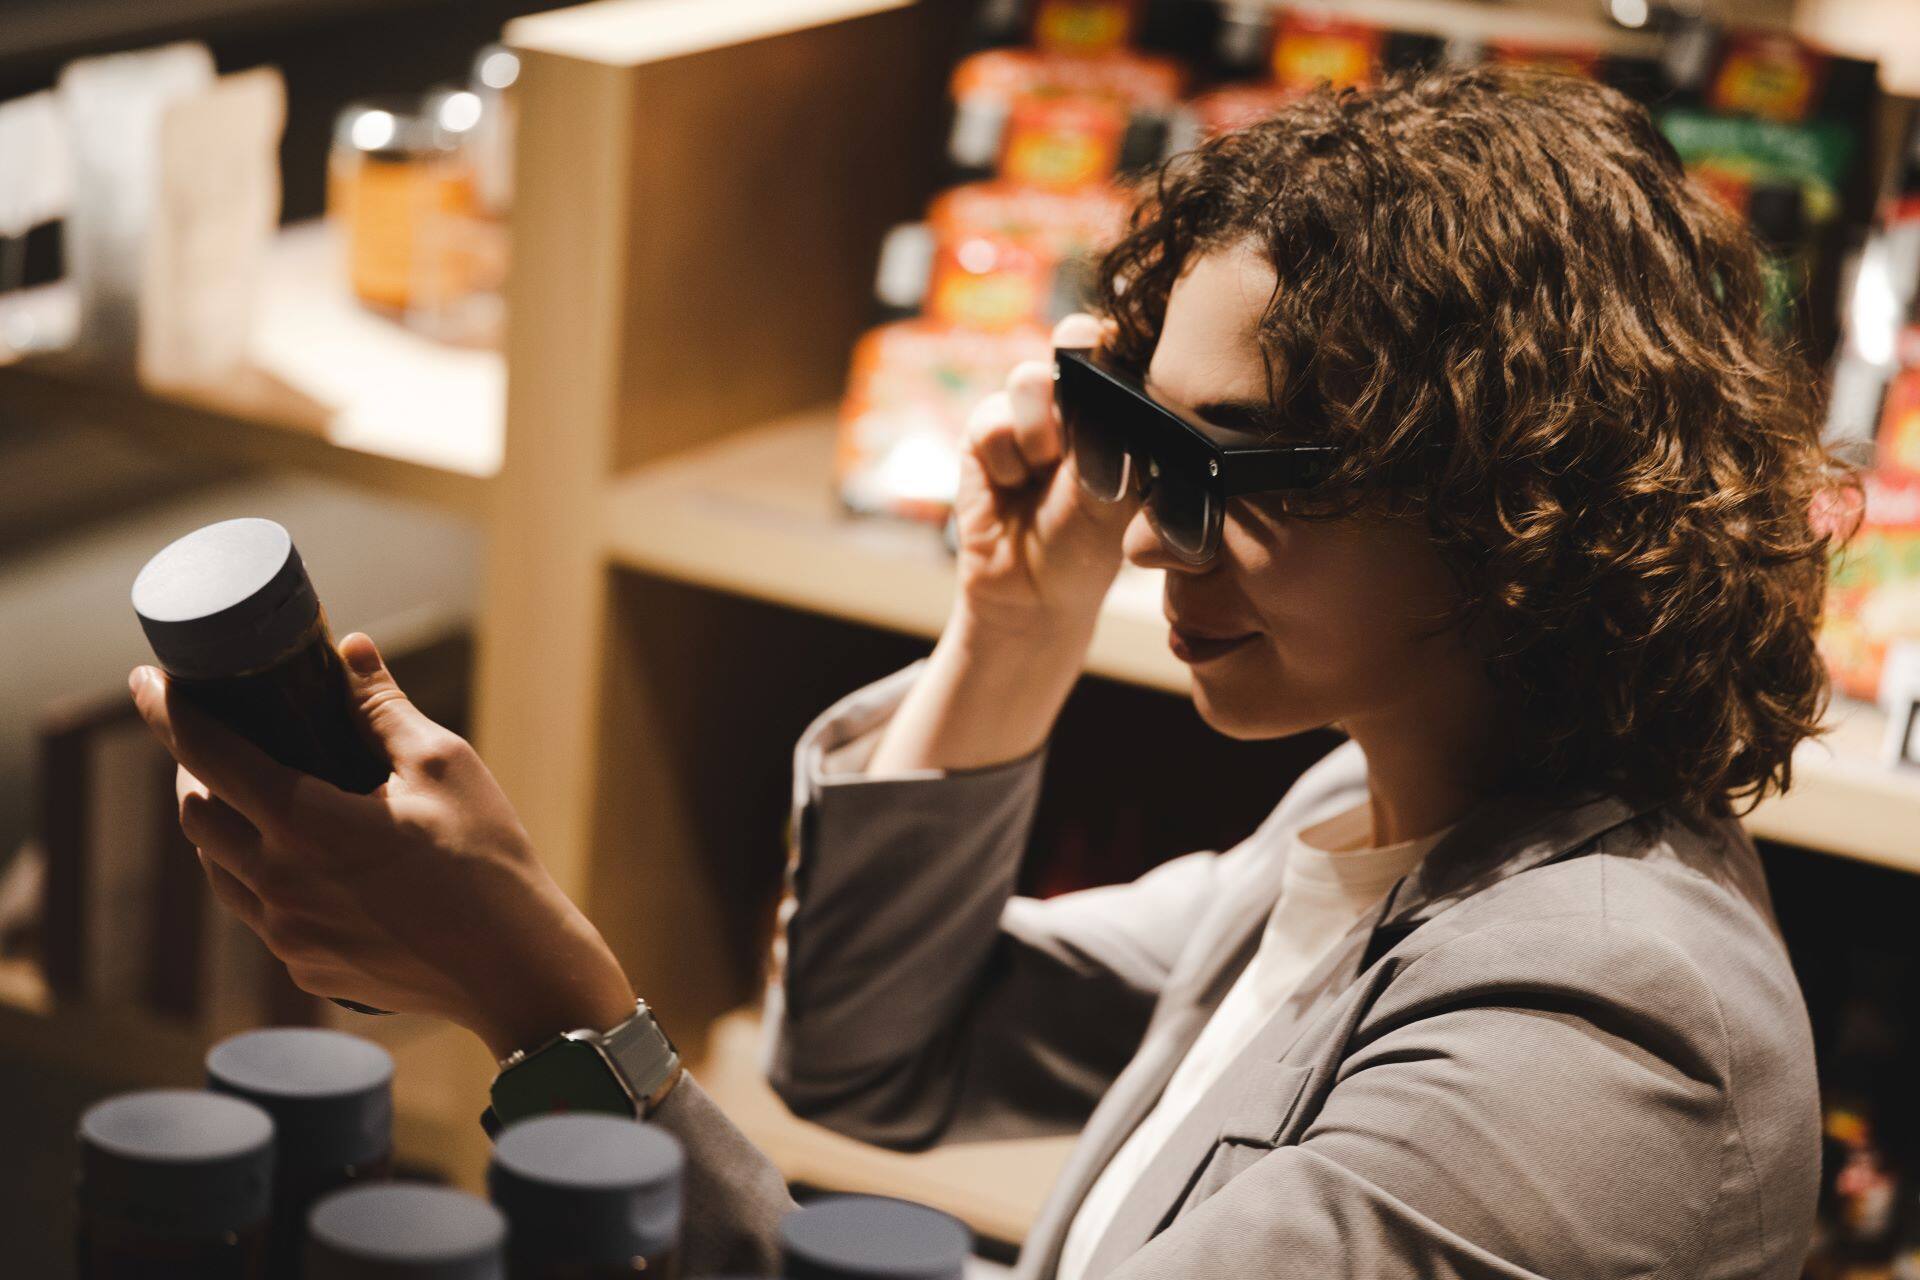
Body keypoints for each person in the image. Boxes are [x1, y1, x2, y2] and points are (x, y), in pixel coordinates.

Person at [132, 65, 1844, 1278]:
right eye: (1135, 438)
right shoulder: (1385, 801)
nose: (1148, 532)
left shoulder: (1595, 1032)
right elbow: (874, 1056)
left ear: (1514, 498)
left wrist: (547, 1011)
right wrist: (1012, 633)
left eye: (1229, 471)